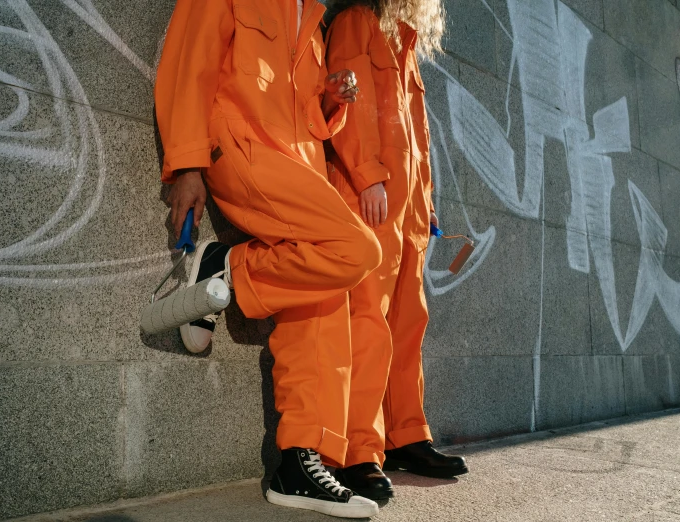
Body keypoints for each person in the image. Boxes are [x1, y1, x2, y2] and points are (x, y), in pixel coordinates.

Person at [154, 0, 384, 517]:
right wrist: (187, 163)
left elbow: (307, 119)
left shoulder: (313, 19)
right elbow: (190, 63)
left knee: (322, 300)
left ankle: (298, 461)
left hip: (297, 163)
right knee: (355, 250)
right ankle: (232, 267)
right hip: (239, 145)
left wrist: (327, 100)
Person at [323, 0, 468, 500]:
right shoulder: (355, 22)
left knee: (409, 323)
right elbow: (350, 104)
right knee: (367, 322)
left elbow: (419, 140)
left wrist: (427, 206)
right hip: (371, 198)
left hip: (408, 213)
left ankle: (406, 435)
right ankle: (356, 449)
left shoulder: (404, 42)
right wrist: (367, 176)